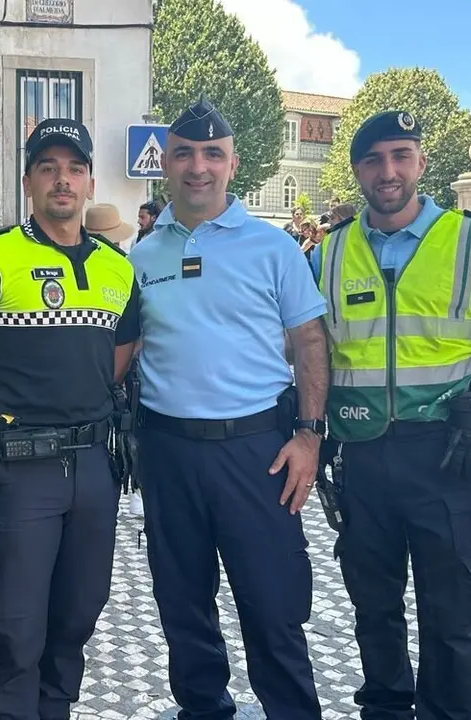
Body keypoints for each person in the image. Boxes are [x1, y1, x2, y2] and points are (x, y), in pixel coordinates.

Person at [309, 109, 471, 720]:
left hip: (443, 457)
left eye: (400, 155)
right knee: (373, 609)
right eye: (374, 159)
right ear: (358, 169)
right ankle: (385, 710)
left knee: (452, 614)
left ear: (420, 162)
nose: (388, 171)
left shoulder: (470, 242)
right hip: (360, 459)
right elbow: (308, 358)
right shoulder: (327, 255)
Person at [127, 96, 327, 719]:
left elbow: (312, 340)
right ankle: (202, 710)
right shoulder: (140, 257)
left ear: (232, 163)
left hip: (256, 454)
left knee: (273, 608)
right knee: (183, 607)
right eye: (184, 153)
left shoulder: (274, 248)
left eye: (212, 154)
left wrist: (310, 436)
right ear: (166, 164)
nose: (198, 167)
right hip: (169, 455)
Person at [0, 117, 141, 720]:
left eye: (74, 168)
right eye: (48, 168)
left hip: (94, 467)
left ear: (90, 181)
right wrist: (0, 428)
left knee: (79, 612)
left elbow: (119, 359)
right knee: (15, 623)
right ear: (28, 181)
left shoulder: (116, 268)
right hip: (22, 468)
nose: (63, 180)